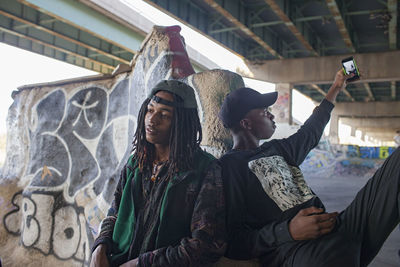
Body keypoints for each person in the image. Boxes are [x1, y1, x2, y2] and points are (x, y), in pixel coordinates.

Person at [218, 70, 400, 266]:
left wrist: (336, 86)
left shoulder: (278, 149)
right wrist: (287, 231)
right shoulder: (229, 167)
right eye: (264, 112)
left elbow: (312, 130)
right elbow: (234, 242)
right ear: (246, 123)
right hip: (298, 251)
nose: (272, 115)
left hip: (338, 228)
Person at [90, 80, 226, 267]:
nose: (152, 120)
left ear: (182, 122)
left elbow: (204, 245)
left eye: (164, 115)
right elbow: (114, 212)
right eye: (150, 110)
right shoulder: (136, 163)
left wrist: (143, 263)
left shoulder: (204, 169)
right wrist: (100, 246)